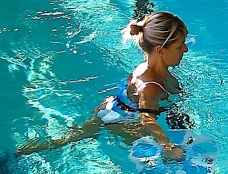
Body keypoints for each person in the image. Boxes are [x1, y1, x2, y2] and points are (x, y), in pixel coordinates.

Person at [17, 10, 190, 160]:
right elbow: (147, 119)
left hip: (111, 107)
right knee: (151, 162)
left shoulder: (147, 68)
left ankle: (24, 152)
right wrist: (168, 146)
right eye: (180, 46)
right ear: (160, 50)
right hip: (126, 122)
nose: (185, 50)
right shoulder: (150, 87)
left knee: (73, 136)